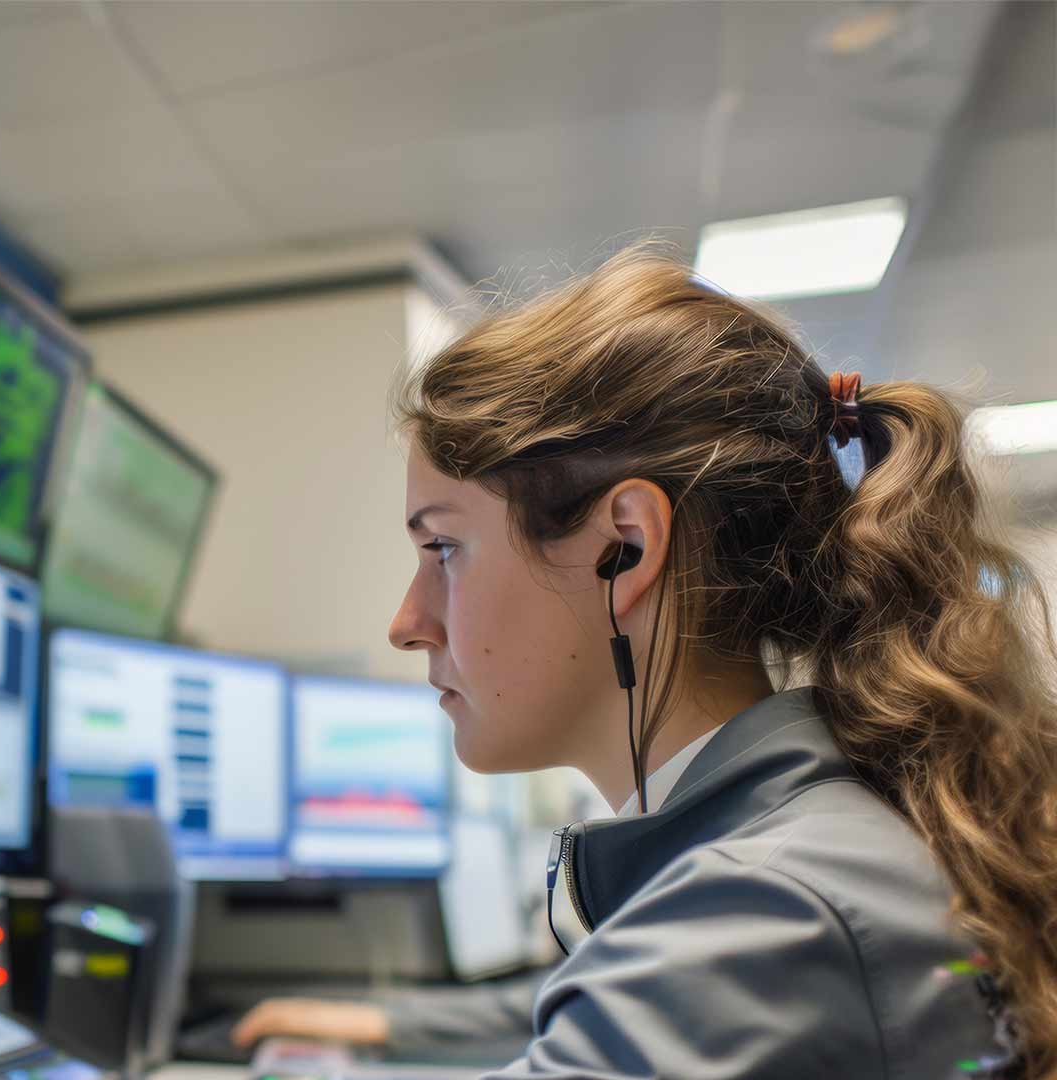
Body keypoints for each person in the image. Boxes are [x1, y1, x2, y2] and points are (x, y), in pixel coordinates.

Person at [233, 246, 1056, 1078]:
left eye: (443, 548)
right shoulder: (789, 868)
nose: (407, 624)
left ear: (625, 548)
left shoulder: (766, 914)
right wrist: (384, 1030)